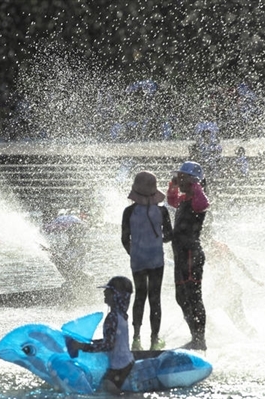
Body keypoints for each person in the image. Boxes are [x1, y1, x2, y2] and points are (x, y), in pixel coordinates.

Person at [122, 171, 173, 351]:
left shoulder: (129, 212)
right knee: (155, 299)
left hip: (138, 260)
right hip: (156, 260)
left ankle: (136, 339)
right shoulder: (161, 211)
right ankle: (154, 339)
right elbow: (169, 235)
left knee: (140, 296)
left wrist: (134, 252)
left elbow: (124, 238)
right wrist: (156, 240)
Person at [167, 161, 210, 351]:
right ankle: (194, 335)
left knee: (194, 296)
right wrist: (173, 185)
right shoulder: (184, 200)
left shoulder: (197, 201)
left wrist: (195, 185)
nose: (179, 180)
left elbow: (204, 202)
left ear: (193, 181)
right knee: (181, 296)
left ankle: (199, 339)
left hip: (192, 254)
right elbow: (171, 200)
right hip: (180, 255)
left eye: (183, 177)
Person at [66, 276, 135, 394]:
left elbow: (108, 345)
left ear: (116, 295)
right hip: (126, 362)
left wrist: (83, 347)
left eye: (109, 290)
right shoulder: (121, 315)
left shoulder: (112, 317)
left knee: (101, 392)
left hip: (118, 368)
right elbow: (111, 340)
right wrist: (88, 343)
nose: (104, 292)